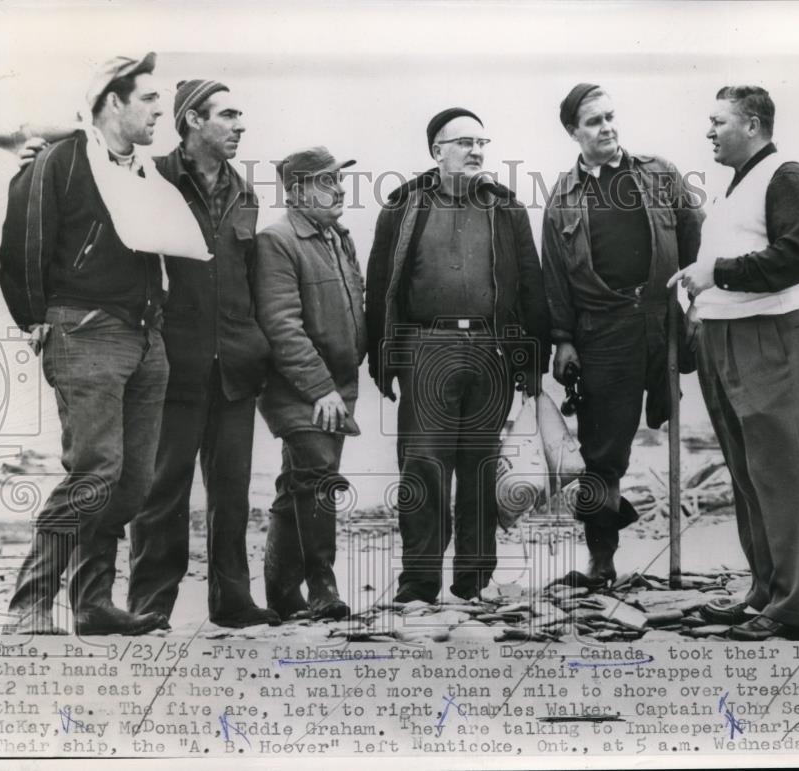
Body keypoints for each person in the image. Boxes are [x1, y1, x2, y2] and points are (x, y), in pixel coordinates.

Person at [0, 53, 209, 635]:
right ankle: (29, 607)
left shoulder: (143, 173)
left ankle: (92, 605)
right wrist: (35, 319)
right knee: (94, 472)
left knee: (132, 483)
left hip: (146, 338)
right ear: (112, 101)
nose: (158, 113)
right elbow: (17, 250)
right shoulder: (59, 164)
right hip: (85, 331)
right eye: (148, 101)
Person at [365, 108, 550, 604]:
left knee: (481, 466)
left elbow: (531, 284)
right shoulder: (403, 207)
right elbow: (380, 286)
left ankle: (474, 582)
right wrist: (381, 360)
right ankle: (419, 584)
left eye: (482, 143)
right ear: (436, 151)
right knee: (423, 465)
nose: (476, 152)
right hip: (426, 347)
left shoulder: (505, 209)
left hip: (490, 350)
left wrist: (533, 361)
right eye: (464, 142)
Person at [668, 85, 799, 641]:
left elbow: (796, 257)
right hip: (727, 339)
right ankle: (765, 592)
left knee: (780, 478)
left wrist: (718, 273)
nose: (708, 131)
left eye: (718, 122)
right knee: (747, 475)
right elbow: (743, 257)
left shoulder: (789, 176)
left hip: (773, 340)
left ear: (753, 124)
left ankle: (793, 609)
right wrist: (701, 283)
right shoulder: (741, 185)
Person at [125, 80, 278, 628]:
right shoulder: (152, 180)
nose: (240, 126)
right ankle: (149, 605)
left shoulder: (245, 192)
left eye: (240, 115)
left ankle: (232, 602)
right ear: (192, 120)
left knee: (232, 491)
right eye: (229, 115)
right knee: (162, 490)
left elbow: (250, 277)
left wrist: (260, 346)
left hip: (236, 364)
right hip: (172, 362)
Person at [542, 84, 704, 585]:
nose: (607, 127)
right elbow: (555, 278)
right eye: (594, 121)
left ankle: (687, 564)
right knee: (602, 450)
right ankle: (602, 559)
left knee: (672, 424)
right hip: (602, 330)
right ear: (574, 131)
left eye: (610, 116)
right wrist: (564, 339)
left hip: (660, 322)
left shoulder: (659, 174)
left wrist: (693, 300)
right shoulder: (562, 198)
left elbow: (694, 235)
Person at [254, 147, 366, 621]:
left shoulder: (338, 238)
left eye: (340, 180)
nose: (341, 189)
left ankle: (281, 594)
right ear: (298, 191)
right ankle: (323, 584)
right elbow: (282, 325)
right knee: (318, 476)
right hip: (299, 388)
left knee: (299, 483)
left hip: (339, 385)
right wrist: (320, 388)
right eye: (327, 182)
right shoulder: (276, 241)